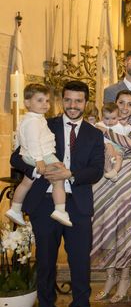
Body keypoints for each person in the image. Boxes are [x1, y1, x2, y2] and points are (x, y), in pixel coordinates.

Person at [10, 80, 104, 307]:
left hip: (78, 206)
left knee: (80, 266)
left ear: (86, 103)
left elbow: (96, 170)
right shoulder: (42, 123)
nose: (73, 105)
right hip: (44, 204)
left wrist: (69, 174)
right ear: (62, 100)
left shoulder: (94, 134)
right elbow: (16, 158)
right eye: (69, 100)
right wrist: (38, 170)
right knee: (46, 265)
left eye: (79, 101)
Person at [91, 89, 131, 303]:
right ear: (116, 103)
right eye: (122, 103)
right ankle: (109, 277)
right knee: (106, 227)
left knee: (124, 229)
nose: (125, 107)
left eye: (130, 104)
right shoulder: (107, 120)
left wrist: (102, 130)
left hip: (126, 181)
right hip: (104, 181)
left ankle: (124, 277)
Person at [7, 84, 71, 227]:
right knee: (59, 177)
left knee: (26, 182)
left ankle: (15, 208)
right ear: (27, 103)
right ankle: (60, 210)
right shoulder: (33, 121)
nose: (45, 104)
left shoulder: (34, 118)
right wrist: (39, 160)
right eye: (40, 100)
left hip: (32, 154)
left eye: (47, 101)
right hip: (42, 155)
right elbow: (33, 141)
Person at [96, 102, 131, 180]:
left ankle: (114, 171)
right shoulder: (100, 125)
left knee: (119, 158)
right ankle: (109, 170)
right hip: (104, 148)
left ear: (118, 117)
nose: (110, 121)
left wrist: (126, 124)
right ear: (102, 117)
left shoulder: (121, 126)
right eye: (107, 118)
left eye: (113, 118)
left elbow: (129, 130)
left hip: (118, 148)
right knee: (106, 155)